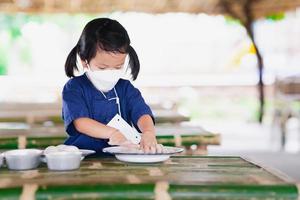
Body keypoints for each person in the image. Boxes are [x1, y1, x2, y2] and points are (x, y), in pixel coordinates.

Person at [62, 18, 162, 155]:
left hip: (121, 158)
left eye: (118, 67)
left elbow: (142, 113)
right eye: (102, 68)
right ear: (84, 60)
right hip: (84, 158)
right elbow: (80, 122)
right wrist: (113, 133)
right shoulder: (74, 88)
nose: (110, 73)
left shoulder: (126, 88)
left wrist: (148, 132)